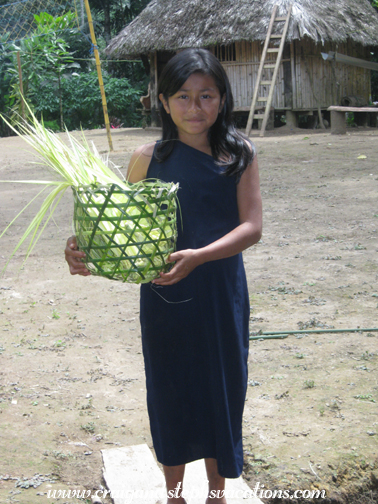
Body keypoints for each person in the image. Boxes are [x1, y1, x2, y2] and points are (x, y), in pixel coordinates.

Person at [65, 48, 262, 504]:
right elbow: (118, 230)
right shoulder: (145, 158)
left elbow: (252, 227)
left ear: (222, 98)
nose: (195, 108)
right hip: (164, 296)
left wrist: (199, 256)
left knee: (222, 388)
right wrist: (81, 251)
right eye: (183, 96)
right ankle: (173, 495)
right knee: (170, 391)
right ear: (163, 101)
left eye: (206, 96)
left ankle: (217, 495)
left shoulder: (239, 153)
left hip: (218, 294)